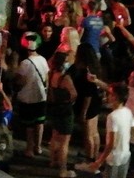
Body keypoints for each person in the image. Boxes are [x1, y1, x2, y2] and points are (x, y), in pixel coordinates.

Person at [77, 82, 134, 178]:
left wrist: (99, 161)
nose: (106, 96)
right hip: (125, 155)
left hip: (114, 158)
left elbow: (112, 144)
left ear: (115, 97)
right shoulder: (128, 112)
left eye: (109, 94)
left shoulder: (112, 116)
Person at [14, 31, 48, 158]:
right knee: (39, 123)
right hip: (41, 97)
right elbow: (46, 78)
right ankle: (38, 147)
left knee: (29, 126)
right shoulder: (43, 60)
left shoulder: (25, 63)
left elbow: (21, 81)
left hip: (27, 99)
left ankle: (29, 148)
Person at [47, 50, 77, 178]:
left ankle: (53, 160)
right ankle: (63, 170)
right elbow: (74, 94)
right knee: (64, 141)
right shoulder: (65, 78)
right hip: (65, 110)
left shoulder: (51, 74)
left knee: (55, 135)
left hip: (54, 108)